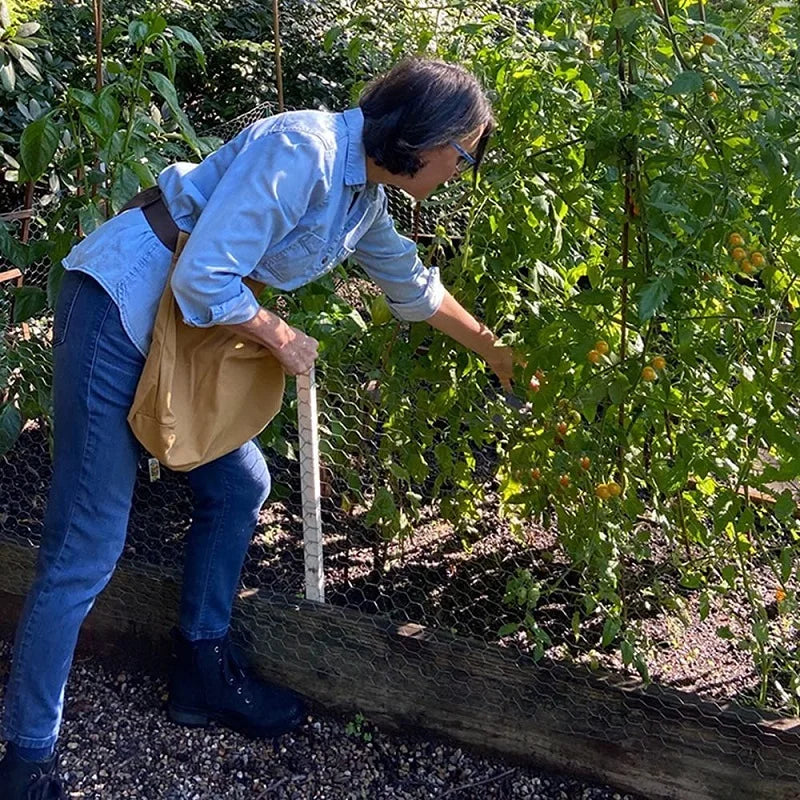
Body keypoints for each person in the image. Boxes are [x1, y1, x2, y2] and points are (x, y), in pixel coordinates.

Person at [0, 57, 513, 798]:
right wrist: (278, 334)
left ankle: (200, 668)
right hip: (120, 308)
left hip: (178, 331)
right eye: (463, 154)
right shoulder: (303, 149)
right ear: (424, 136)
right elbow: (203, 276)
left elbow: (415, 289)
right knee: (87, 543)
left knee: (242, 483)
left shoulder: (361, 202)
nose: (460, 171)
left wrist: (498, 352)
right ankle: (27, 758)